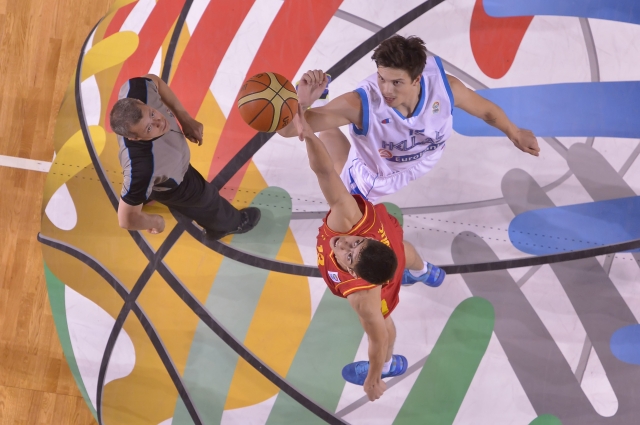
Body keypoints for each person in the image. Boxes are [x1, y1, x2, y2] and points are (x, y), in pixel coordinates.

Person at [293, 104, 442, 402]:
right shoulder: (348, 219)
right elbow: (324, 170)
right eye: (355, 243)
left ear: (354, 272)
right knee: (401, 252)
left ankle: (390, 365)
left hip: (387, 258)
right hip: (389, 246)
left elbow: (379, 337)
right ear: (368, 239)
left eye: (349, 255)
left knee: (386, 322)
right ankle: (425, 271)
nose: (341, 244)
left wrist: (374, 378)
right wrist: (308, 132)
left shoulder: (364, 297)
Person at [278, 35, 540, 202]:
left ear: (417, 79)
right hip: (375, 176)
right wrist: (303, 104)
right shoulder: (360, 103)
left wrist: (514, 132)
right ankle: (320, 103)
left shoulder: (446, 88)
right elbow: (289, 131)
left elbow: (486, 112)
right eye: (381, 78)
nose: (386, 90)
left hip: (424, 157)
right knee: (343, 195)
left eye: (396, 82)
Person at [110, 74, 260, 238]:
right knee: (207, 199)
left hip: (160, 174)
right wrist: (156, 222)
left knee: (144, 188)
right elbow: (126, 220)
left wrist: (185, 118)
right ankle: (229, 225)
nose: (159, 122)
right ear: (134, 138)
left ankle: (143, 196)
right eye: (149, 128)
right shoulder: (142, 169)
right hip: (177, 185)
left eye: (152, 114)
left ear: (139, 101)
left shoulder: (137, 88)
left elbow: (155, 81)